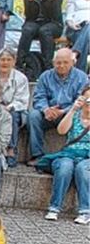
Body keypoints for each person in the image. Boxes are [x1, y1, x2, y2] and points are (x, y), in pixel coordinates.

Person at [27, 48, 89, 166]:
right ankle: (37, 155)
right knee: (33, 116)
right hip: (48, 113)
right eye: (58, 62)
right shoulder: (45, 76)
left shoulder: (81, 77)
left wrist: (63, 111)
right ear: (53, 63)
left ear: (72, 62)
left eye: (65, 62)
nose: (61, 65)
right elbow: (39, 97)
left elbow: (81, 100)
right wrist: (46, 109)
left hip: (70, 114)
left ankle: (73, 153)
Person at [43, 85, 90, 224]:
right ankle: (54, 207)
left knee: (82, 169)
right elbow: (61, 131)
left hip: (88, 157)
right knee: (64, 167)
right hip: (69, 154)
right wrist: (74, 108)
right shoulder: (75, 115)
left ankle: (85, 210)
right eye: (87, 98)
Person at [0, 48, 30, 167]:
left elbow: (22, 101)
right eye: (2, 59)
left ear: (14, 61)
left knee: (11, 116)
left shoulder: (21, 78)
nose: (5, 63)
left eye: (8, 60)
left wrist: (9, 107)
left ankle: (11, 149)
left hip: (15, 110)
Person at [18, 0, 65, 76]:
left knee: (45, 31)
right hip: (35, 22)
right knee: (28, 30)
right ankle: (19, 64)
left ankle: (47, 68)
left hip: (53, 23)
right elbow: (29, 15)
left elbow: (57, 14)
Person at [65, 0, 90, 73]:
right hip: (75, 29)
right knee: (86, 39)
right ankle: (82, 77)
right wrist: (71, 23)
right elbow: (69, 15)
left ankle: (75, 53)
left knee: (89, 26)